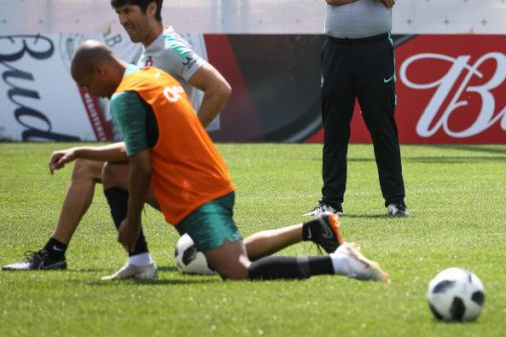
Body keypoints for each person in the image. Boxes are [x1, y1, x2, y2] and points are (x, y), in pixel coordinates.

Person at [68, 40, 389, 283]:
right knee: (111, 173)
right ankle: (139, 262)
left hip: (196, 191)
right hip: (203, 178)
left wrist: (132, 220)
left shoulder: (125, 97)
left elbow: (141, 165)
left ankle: (338, 263)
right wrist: (81, 153)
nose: (88, 92)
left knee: (236, 270)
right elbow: (140, 152)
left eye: (85, 85)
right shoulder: (151, 76)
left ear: (101, 70)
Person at [3, 0, 232, 279]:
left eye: (129, 11)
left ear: (152, 9)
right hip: (168, 165)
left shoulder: (170, 47)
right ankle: (133, 258)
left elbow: (220, 88)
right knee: (97, 165)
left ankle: (58, 254)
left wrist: (190, 135)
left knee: (87, 165)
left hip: (179, 173)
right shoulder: (150, 51)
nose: (123, 20)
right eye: (119, 13)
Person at [307, 0, 408, 217]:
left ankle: (395, 201)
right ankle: (330, 202)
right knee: (335, 129)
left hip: (375, 51)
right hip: (337, 51)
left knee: (382, 127)